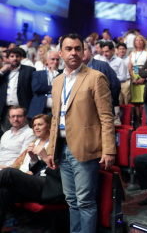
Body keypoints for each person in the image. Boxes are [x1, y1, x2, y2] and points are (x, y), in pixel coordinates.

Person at [45, 33, 116, 233]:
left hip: (85, 148)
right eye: (69, 49)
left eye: (78, 48)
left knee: (85, 201)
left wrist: (109, 149)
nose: (74, 53)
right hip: (62, 149)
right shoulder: (57, 81)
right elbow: (54, 119)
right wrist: (50, 150)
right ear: (60, 53)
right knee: (71, 201)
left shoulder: (95, 77)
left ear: (84, 52)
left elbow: (106, 116)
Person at [0, 114, 64, 228]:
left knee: (8, 172)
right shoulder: (36, 142)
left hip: (51, 184)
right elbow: (36, 169)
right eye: (34, 125)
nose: (36, 128)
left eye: (40, 124)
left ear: (49, 126)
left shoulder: (58, 143)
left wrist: (44, 157)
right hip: (36, 181)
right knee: (4, 190)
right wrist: (34, 160)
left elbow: (62, 172)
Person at [0, 48, 35, 132]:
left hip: (23, 109)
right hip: (6, 111)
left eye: (17, 56)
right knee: (7, 134)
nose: (15, 58)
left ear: (21, 58)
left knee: (26, 134)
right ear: (7, 59)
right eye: (12, 56)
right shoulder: (4, 72)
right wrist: (1, 71)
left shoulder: (29, 70)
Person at [28, 50, 61, 119]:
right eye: (53, 59)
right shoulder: (37, 74)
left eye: (57, 60)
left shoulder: (62, 74)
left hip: (57, 111)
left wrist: (45, 88)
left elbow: (63, 88)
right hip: (40, 110)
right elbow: (36, 88)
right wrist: (53, 88)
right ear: (47, 60)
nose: (55, 62)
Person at [129, 35, 147, 127]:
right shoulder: (132, 53)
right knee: (136, 102)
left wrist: (144, 78)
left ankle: (144, 121)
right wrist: (133, 78)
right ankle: (138, 122)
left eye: (140, 40)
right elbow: (130, 67)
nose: (138, 42)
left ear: (143, 42)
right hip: (134, 76)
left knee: (143, 100)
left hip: (144, 75)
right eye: (136, 40)